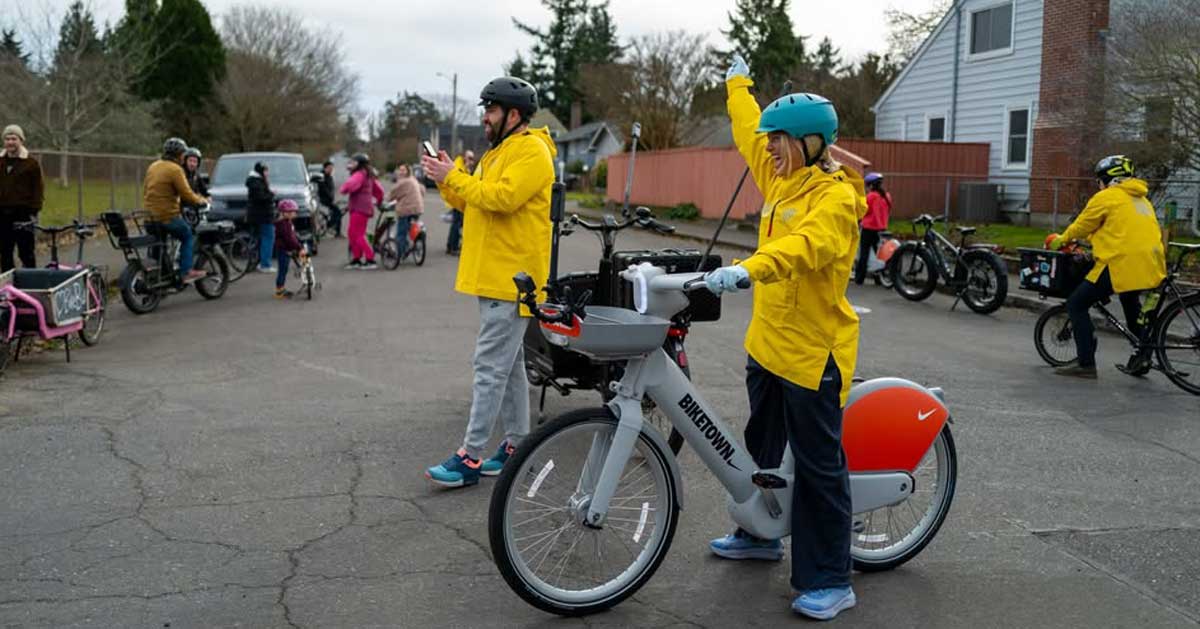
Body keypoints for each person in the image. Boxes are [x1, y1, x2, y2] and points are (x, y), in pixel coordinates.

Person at [701, 54, 865, 621]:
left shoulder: (836, 198)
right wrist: (737, 85)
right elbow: (748, 128)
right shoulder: (781, 176)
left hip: (813, 351)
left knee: (820, 466)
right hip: (766, 345)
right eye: (770, 142)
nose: (768, 148)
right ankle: (760, 533)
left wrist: (749, 268)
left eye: (780, 141)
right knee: (762, 450)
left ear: (811, 143)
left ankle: (830, 578)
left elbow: (806, 247)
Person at [420, 76, 554, 488]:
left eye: (491, 109)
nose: (485, 117)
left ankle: (471, 457)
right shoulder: (500, 152)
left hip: (511, 279)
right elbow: (471, 201)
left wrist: (456, 178)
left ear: (514, 115)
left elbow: (501, 198)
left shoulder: (532, 152)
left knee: (489, 369)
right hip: (495, 276)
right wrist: (447, 176)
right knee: (509, 366)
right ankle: (515, 444)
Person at [1048, 155, 1166, 379]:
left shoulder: (1107, 196)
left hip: (1120, 262)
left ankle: (1085, 364)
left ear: (1107, 180)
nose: (1098, 185)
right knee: (1130, 303)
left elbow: (1083, 224)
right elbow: (1122, 230)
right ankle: (1143, 355)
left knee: (1077, 304)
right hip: (1150, 263)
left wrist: (1061, 239)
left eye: (1099, 180)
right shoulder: (1142, 199)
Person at [143, 137, 209, 282]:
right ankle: (186, 272)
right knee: (187, 235)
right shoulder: (176, 169)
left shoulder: (153, 166)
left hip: (149, 217)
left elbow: (146, 189)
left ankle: (161, 274)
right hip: (166, 216)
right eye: (183, 154)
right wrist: (202, 201)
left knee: (159, 244)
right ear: (179, 155)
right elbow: (187, 193)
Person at [0, 124, 43, 272]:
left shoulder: (31, 163)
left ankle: (30, 284)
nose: (10, 142)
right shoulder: (0, 161)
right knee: (5, 252)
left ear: (21, 141)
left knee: (26, 252)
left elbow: (38, 189)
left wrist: (33, 211)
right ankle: (7, 288)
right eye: (7, 139)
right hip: (2, 214)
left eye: (14, 138)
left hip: (23, 214)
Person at [340, 153, 384, 269]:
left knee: (357, 235)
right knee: (352, 234)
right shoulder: (368, 175)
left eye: (353, 162)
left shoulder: (359, 174)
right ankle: (356, 259)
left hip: (359, 209)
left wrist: (343, 189)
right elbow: (379, 190)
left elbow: (351, 185)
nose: (351, 165)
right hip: (361, 208)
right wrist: (379, 201)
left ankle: (370, 259)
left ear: (359, 164)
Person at [854, 172, 891, 285]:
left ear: (870, 185)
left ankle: (859, 279)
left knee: (864, 253)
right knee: (878, 253)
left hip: (869, 228)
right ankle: (878, 279)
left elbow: (862, 211)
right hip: (882, 228)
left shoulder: (870, 196)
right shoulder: (886, 196)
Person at [385, 163, 424, 258]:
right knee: (410, 227)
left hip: (406, 210)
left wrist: (386, 199)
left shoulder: (403, 182)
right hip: (417, 208)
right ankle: (410, 244)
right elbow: (422, 190)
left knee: (401, 233)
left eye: (403, 170)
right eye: (400, 170)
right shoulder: (413, 179)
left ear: (408, 171)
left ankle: (400, 253)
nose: (401, 172)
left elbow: (393, 193)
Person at [245, 161, 277, 273]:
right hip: (262, 216)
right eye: (265, 170)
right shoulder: (257, 182)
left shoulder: (255, 181)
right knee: (268, 237)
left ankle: (255, 262)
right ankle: (265, 264)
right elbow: (261, 198)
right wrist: (272, 194)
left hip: (257, 216)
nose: (267, 173)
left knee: (258, 239)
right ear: (260, 171)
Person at [443, 150, 475, 255]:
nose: (471, 161)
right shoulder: (459, 166)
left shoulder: (464, 167)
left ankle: (450, 245)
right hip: (457, 199)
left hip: (460, 199)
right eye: (470, 158)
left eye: (472, 159)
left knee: (456, 223)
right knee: (456, 224)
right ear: (464, 157)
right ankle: (453, 246)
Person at [272, 199, 304, 299]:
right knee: (283, 270)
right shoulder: (283, 224)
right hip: (283, 250)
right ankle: (279, 291)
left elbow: (292, 236)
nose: (294, 214)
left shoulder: (286, 223)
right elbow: (289, 238)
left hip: (285, 249)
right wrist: (298, 247)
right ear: (285, 213)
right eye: (292, 212)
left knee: (284, 269)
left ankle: (281, 288)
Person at [318, 160, 343, 238]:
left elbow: (331, 188)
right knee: (338, 212)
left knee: (337, 213)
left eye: (332, 168)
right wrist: (330, 197)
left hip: (330, 199)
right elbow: (324, 189)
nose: (331, 169)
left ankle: (337, 232)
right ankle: (330, 226)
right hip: (325, 200)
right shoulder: (321, 176)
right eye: (329, 168)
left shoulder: (329, 176)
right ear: (325, 168)